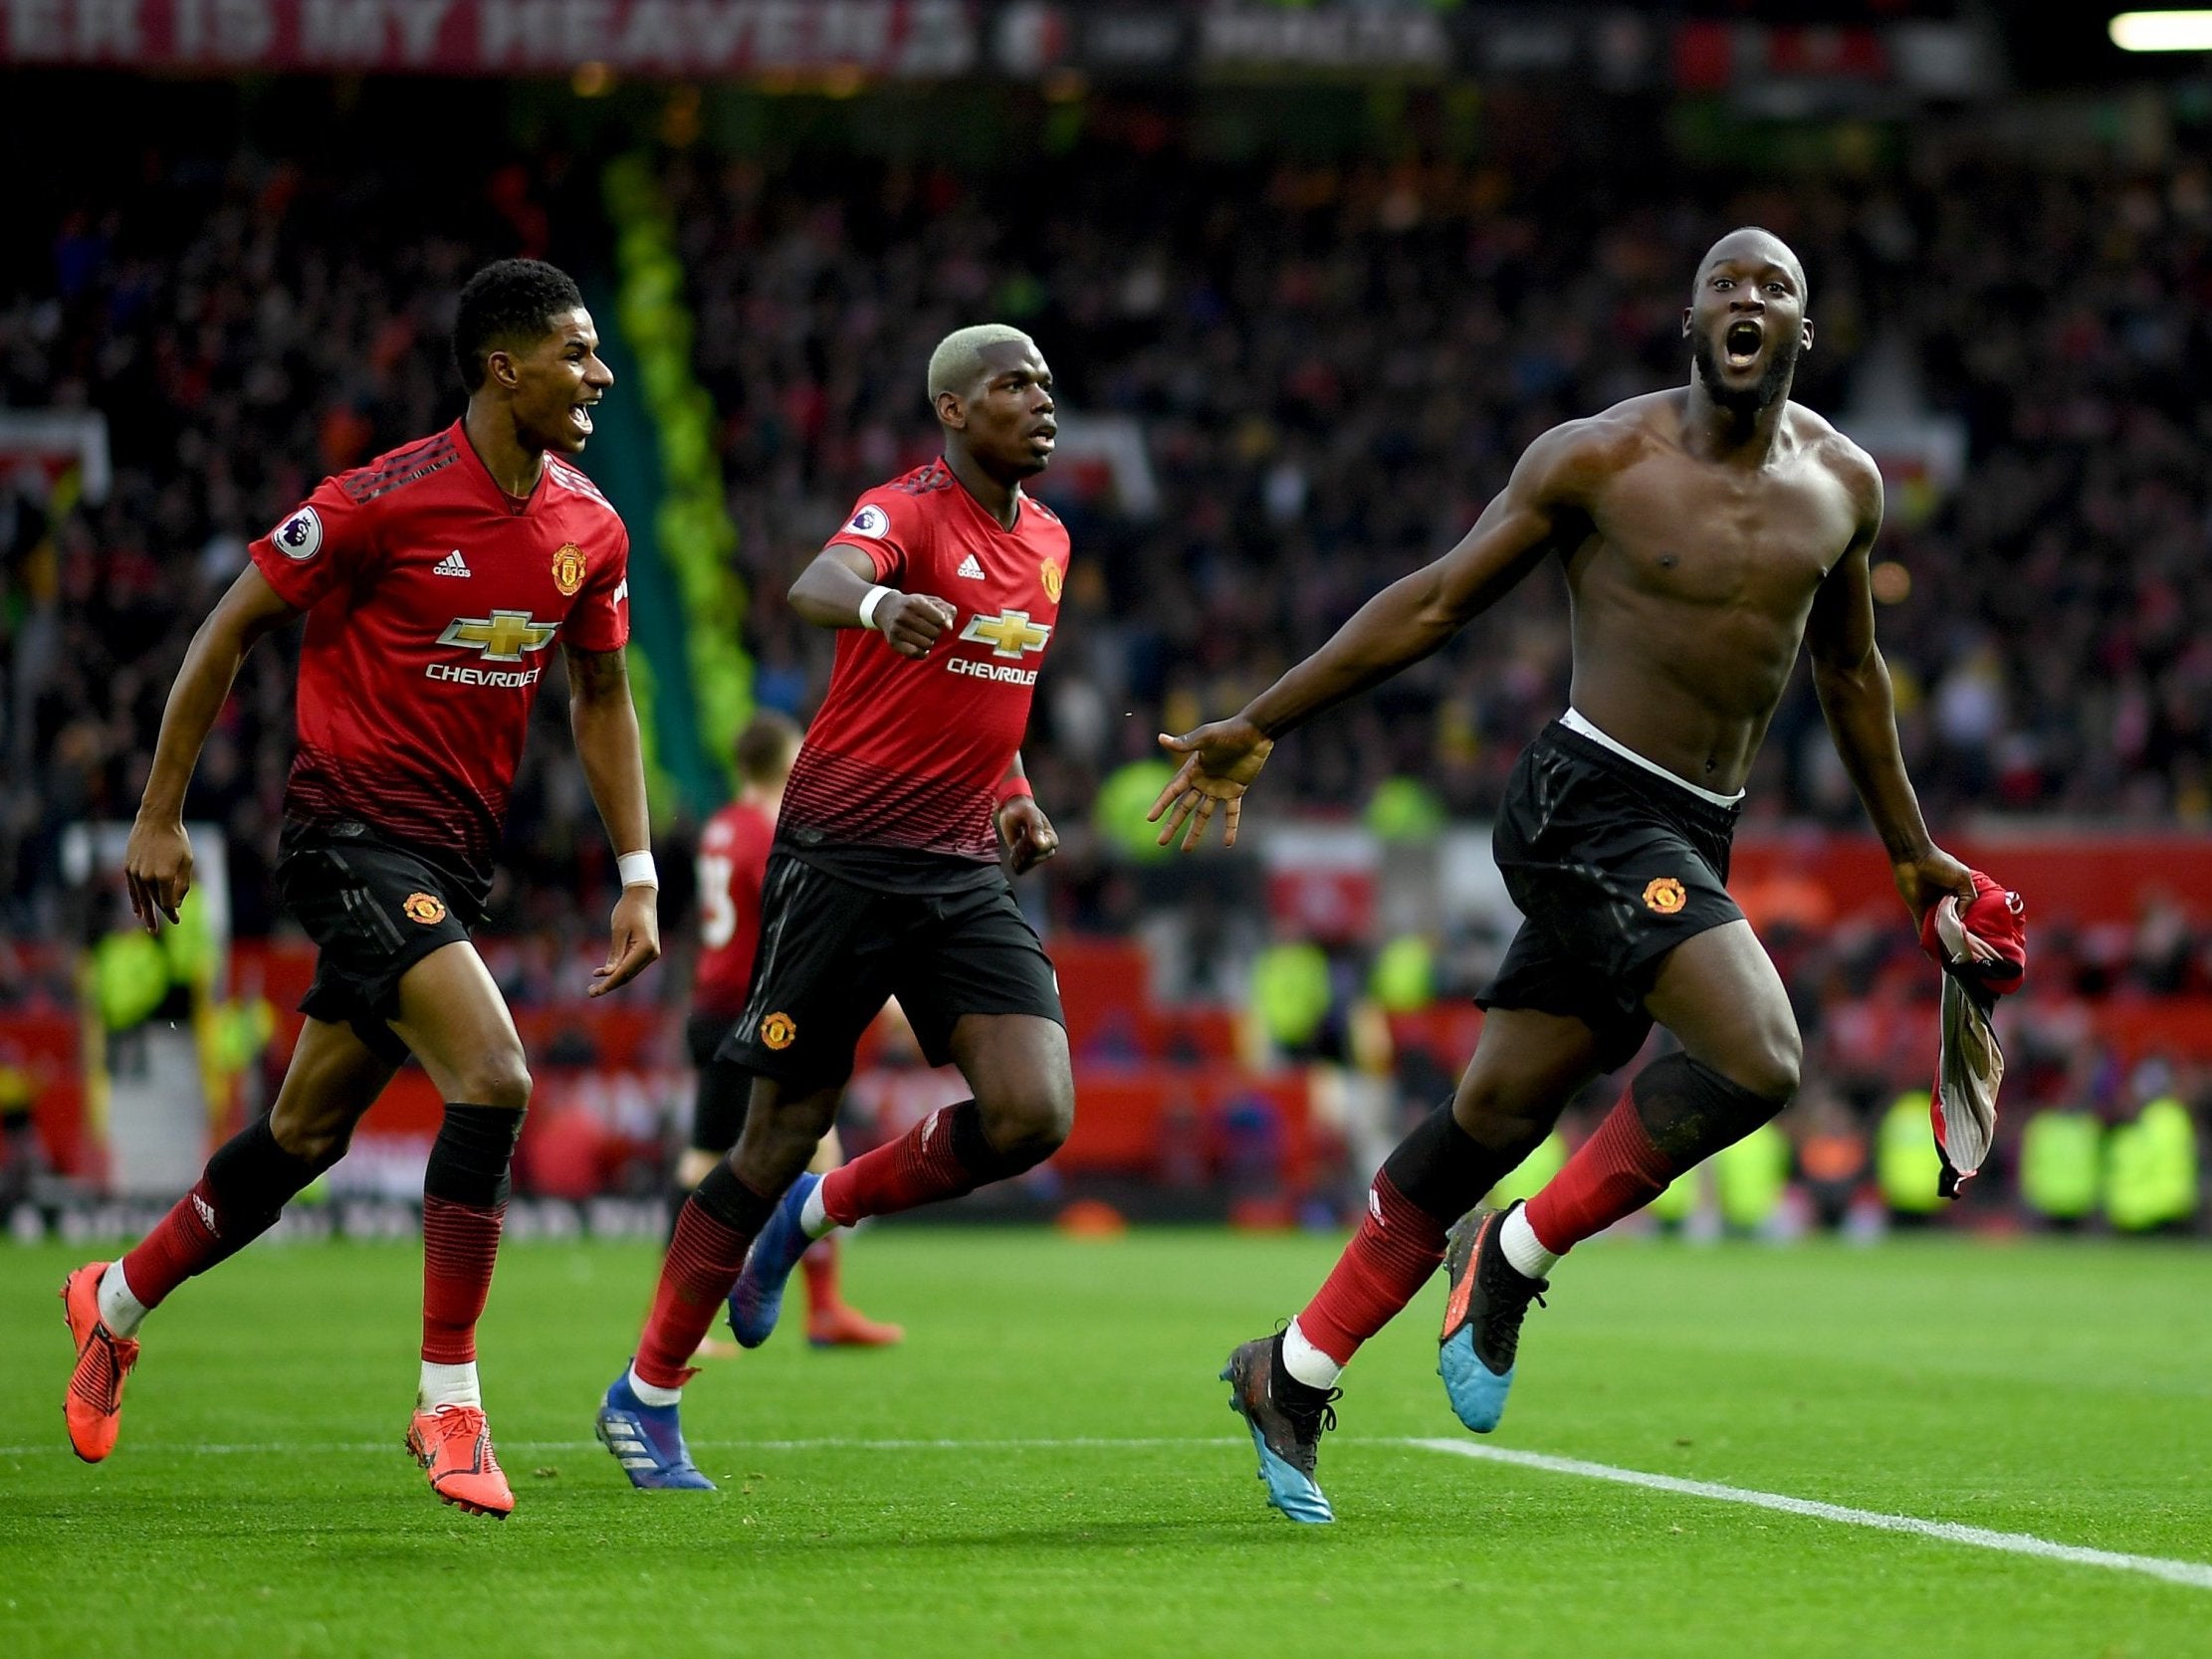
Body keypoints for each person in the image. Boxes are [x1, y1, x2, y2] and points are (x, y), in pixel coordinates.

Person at [1152, 228, 1976, 1525]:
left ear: (1803, 333)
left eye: (1775, 289)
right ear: (1690, 319)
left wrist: (1907, 850)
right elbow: (1431, 601)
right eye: (1725, 285)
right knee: (1760, 1053)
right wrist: (1262, 718)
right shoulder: (1597, 456)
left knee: (1493, 1110)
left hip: (1694, 830)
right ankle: (1513, 1246)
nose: (1748, 301)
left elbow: (1849, 675)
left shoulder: (1845, 485)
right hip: (1583, 800)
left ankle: (1290, 1370)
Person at [61, 259, 659, 1521]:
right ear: (504, 366)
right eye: (577, 350)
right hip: (344, 836)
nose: (599, 373)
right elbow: (224, 629)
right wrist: (160, 812)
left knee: (302, 1136)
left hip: (449, 861)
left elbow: (600, 696)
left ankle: (113, 1301)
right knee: (494, 1076)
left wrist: (638, 872)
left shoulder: (590, 526)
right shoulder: (378, 501)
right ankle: (450, 1398)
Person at [594, 323, 1072, 1491]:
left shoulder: (1051, 541)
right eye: (1014, 385)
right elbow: (818, 582)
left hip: (960, 863)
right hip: (845, 856)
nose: (1041, 401)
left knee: (1032, 1114)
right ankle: (643, 1393)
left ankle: (820, 1207)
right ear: (954, 411)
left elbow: (988, 700)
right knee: (765, 1132)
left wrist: (1013, 795)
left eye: (1048, 385)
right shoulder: (900, 510)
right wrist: (871, 610)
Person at [677, 710, 902, 1351]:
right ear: (785, 759)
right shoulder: (767, 833)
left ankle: (822, 1309)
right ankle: (677, 1319)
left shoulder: (722, 824)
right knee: (704, 1162)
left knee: (814, 1147)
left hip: (717, 1003)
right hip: (747, 1012)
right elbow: (796, 922)